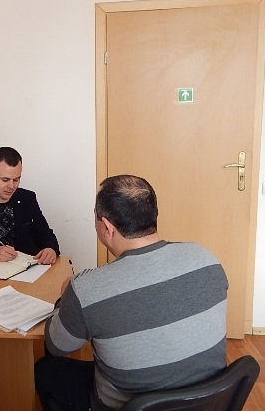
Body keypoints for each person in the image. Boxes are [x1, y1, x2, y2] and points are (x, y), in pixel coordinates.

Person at [34, 175, 228, 410]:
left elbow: (57, 345)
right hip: (207, 403)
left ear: (107, 228)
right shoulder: (205, 259)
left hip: (128, 406)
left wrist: (64, 299)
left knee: (46, 369)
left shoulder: (88, 288)